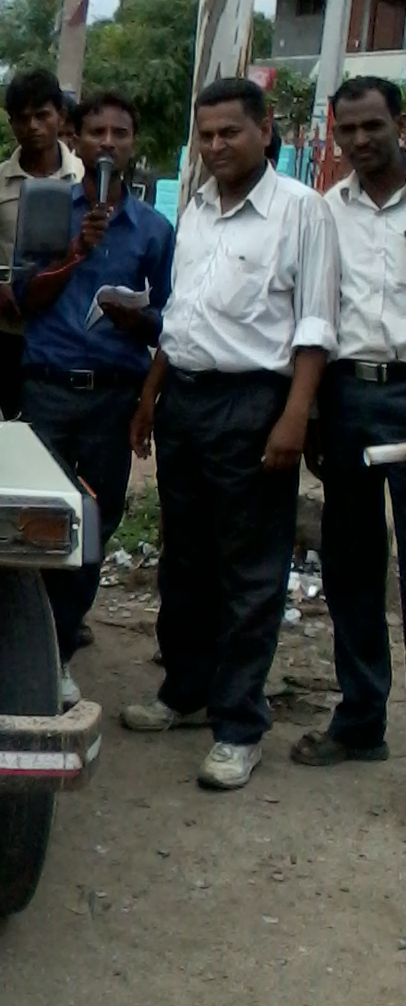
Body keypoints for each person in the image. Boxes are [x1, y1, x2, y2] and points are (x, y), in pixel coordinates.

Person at [124, 77, 339, 791]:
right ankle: (185, 692)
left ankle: (239, 723)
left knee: (250, 572)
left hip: (255, 403)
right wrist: (152, 394)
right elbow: (182, 312)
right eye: (206, 134)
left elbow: (314, 323)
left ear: (265, 128)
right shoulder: (197, 207)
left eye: (230, 133)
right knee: (185, 559)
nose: (216, 146)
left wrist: (294, 414)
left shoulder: (301, 211)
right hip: (185, 398)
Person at [15, 90, 174, 709]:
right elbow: (23, 297)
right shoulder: (47, 209)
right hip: (49, 389)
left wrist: (136, 321)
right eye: (97, 131)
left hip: (113, 396)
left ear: (134, 145)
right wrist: (75, 251)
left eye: (121, 132)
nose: (109, 142)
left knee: (94, 528)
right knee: (38, 525)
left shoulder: (155, 229)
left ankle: (60, 646)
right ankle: (38, 649)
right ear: (76, 142)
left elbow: (171, 322)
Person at [293, 77, 406, 767]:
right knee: (353, 566)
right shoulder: (325, 212)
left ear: (399, 121)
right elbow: (313, 314)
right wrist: (308, 416)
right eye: (348, 130)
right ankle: (361, 721)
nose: (360, 140)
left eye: (372, 125)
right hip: (350, 400)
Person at [0, 71, 83, 420]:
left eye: (42, 115)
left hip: (63, 332)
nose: (34, 126)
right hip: (6, 332)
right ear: (12, 124)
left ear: (60, 115)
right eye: (23, 118)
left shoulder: (83, 179)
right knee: (6, 425)